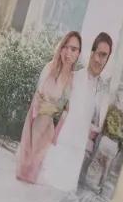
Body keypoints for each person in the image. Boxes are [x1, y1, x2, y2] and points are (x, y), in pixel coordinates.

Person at [15, 31, 80, 184]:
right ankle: (28, 159)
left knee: (47, 120)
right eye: (66, 47)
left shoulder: (72, 79)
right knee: (42, 117)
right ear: (61, 48)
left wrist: (57, 134)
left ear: (78, 53)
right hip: (35, 118)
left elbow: (66, 110)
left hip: (49, 124)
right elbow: (37, 97)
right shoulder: (49, 67)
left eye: (74, 49)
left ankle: (35, 162)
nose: (68, 52)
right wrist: (44, 109)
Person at [76, 33, 114, 191]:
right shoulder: (76, 79)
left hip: (92, 152)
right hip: (73, 145)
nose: (100, 60)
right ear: (92, 53)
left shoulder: (105, 90)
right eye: (99, 54)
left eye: (105, 56)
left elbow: (101, 123)